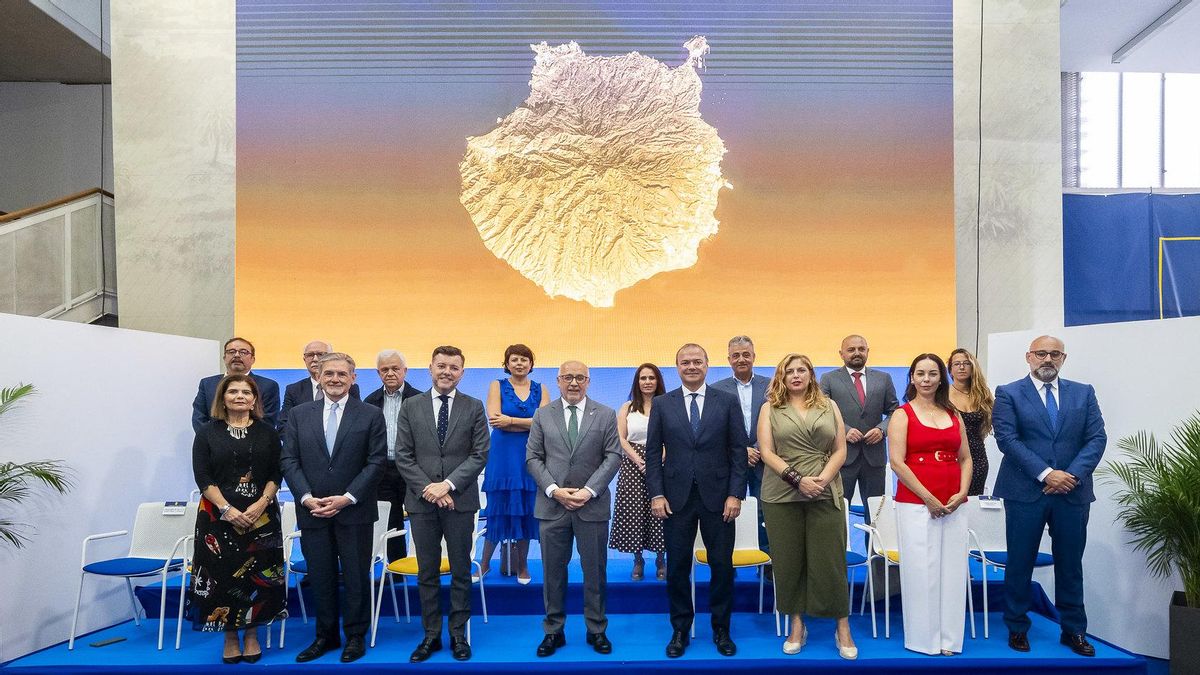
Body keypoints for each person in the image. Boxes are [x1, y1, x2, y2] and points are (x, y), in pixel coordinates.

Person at [993, 335, 1106, 657]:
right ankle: (1017, 627)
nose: (1047, 359)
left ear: (1063, 358)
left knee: (1071, 565)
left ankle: (1074, 631)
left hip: (1073, 491)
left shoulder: (1083, 393)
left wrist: (1070, 475)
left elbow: (1096, 438)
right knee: (1020, 562)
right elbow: (1007, 439)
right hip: (1025, 490)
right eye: (1041, 353)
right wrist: (1046, 473)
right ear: (1028, 357)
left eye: (1054, 354)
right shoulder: (1009, 393)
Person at [280, 353, 387, 664]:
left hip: (354, 511)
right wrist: (305, 496)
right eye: (329, 374)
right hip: (312, 510)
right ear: (319, 376)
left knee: (355, 576)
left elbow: (377, 460)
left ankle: (355, 637)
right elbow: (289, 460)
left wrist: (348, 497)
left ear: (353, 378)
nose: (335, 379)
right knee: (321, 575)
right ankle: (325, 636)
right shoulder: (299, 414)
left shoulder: (369, 414)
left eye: (342, 374)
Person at [644, 343, 748, 658]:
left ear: (707, 365)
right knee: (677, 568)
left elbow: (738, 452)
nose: (691, 366)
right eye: (685, 362)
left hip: (719, 499)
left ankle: (721, 630)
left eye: (697, 361)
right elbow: (651, 453)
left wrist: (735, 493)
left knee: (721, 566)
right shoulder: (663, 404)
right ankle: (680, 630)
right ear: (677, 367)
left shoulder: (727, 402)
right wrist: (657, 493)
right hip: (675, 500)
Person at [756, 354, 857, 659]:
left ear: (812, 375)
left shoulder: (830, 406)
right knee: (788, 563)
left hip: (825, 492)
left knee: (830, 562)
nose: (796, 375)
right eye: (790, 371)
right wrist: (798, 480)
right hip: (782, 494)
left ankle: (843, 628)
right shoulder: (769, 408)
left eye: (802, 370)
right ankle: (797, 625)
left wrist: (822, 481)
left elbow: (840, 449)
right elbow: (766, 452)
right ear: (781, 377)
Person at [395, 346, 489, 663]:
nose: (447, 371)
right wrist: (429, 489)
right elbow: (403, 455)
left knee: (461, 571)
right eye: (441, 366)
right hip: (422, 504)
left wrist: (447, 485)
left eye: (454, 367)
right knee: (428, 572)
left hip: (459, 502)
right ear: (430, 369)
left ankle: (458, 635)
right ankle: (431, 635)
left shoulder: (474, 407)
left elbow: (479, 454)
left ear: (462, 372)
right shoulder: (410, 406)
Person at [525, 360, 622, 657]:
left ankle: (597, 630)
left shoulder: (605, 414)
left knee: (595, 572)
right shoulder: (542, 415)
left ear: (589, 381)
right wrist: (555, 490)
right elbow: (533, 458)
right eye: (568, 377)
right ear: (557, 380)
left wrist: (588, 491)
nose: (574, 383)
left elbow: (613, 456)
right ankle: (554, 631)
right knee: (553, 573)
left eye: (580, 377)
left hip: (590, 507)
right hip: (552, 507)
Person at [190, 374, 286, 664]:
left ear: (255, 399)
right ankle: (230, 636)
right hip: (217, 519)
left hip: (262, 517)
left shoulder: (268, 432)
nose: (240, 396)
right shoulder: (206, 433)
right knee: (221, 577)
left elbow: (275, 473)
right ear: (223, 397)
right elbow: (202, 476)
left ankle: (253, 634)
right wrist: (226, 509)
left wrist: (260, 504)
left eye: (246, 392)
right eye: (233, 391)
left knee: (258, 577)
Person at [888, 353, 972, 656]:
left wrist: (962, 493)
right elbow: (897, 463)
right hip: (916, 502)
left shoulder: (954, 414)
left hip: (954, 501)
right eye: (920, 373)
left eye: (933, 374)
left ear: (941, 378)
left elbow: (966, 458)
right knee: (922, 569)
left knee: (952, 570)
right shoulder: (902, 414)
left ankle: (950, 640)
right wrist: (927, 497)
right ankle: (923, 640)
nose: (926, 379)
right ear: (911, 377)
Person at [479, 344, 547, 583]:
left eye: (524, 359)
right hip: (502, 457)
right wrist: (524, 422)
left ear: (531, 364)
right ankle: (484, 564)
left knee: (525, 511)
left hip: (529, 456)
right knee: (498, 510)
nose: (519, 363)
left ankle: (522, 566)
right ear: (507, 363)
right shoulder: (496, 385)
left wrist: (511, 420)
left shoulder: (541, 389)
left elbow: (543, 424)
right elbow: (495, 420)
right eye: (515, 359)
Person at [819, 335, 898, 520]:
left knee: (877, 515)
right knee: (837, 512)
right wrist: (845, 430)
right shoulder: (829, 379)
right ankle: (837, 550)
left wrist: (881, 430)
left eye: (861, 349)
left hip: (874, 459)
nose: (857, 353)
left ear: (868, 352)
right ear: (841, 354)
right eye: (851, 349)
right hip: (841, 458)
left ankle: (874, 550)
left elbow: (895, 412)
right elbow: (822, 412)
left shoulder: (883, 379)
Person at [711, 336, 770, 553]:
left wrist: (757, 448)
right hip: (728, 461)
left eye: (746, 354)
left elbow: (777, 421)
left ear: (754, 357)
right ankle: (728, 561)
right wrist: (740, 450)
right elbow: (714, 428)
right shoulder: (716, 390)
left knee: (764, 511)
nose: (741, 359)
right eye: (736, 355)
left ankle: (765, 562)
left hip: (764, 460)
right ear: (729, 360)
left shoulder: (772, 386)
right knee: (727, 510)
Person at [609, 363, 667, 580]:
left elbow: (673, 436)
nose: (648, 382)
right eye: (643, 378)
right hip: (633, 465)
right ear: (637, 382)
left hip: (662, 462)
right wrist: (639, 461)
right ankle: (638, 559)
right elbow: (620, 438)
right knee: (635, 512)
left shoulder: (668, 405)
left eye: (652, 378)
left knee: (661, 512)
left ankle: (661, 558)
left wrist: (658, 459)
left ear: (658, 380)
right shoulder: (627, 407)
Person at [363, 349, 421, 562]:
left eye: (395, 369)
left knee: (421, 518)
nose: (390, 373)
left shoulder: (420, 399)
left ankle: (425, 566)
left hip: (414, 468)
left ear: (405, 371)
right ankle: (395, 568)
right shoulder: (370, 401)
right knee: (390, 521)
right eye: (384, 369)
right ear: (378, 373)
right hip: (383, 470)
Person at [193, 337, 281, 432]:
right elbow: (199, 418)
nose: (237, 355)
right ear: (224, 358)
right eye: (231, 351)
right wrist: (213, 440)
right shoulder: (207, 384)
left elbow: (268, 421)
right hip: (213, 442)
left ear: (253, 359)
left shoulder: (268, 386)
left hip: (253, 443)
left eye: (243, 352)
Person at [280, 340, 360, 430]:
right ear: (304, 359)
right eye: (310, 355)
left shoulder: (348, 388)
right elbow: (284, 425)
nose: (315, 359)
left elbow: (357, 420)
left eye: (321, 354)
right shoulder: (294, 390)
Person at [948, 348, 994, 495]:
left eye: (966, 363)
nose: (962, 367)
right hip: (951, 458)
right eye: (957, 364)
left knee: (973, 506)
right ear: (950, 369)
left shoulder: (983, 395)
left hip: (978, 458)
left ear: (973, 366)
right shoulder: (941, 395)